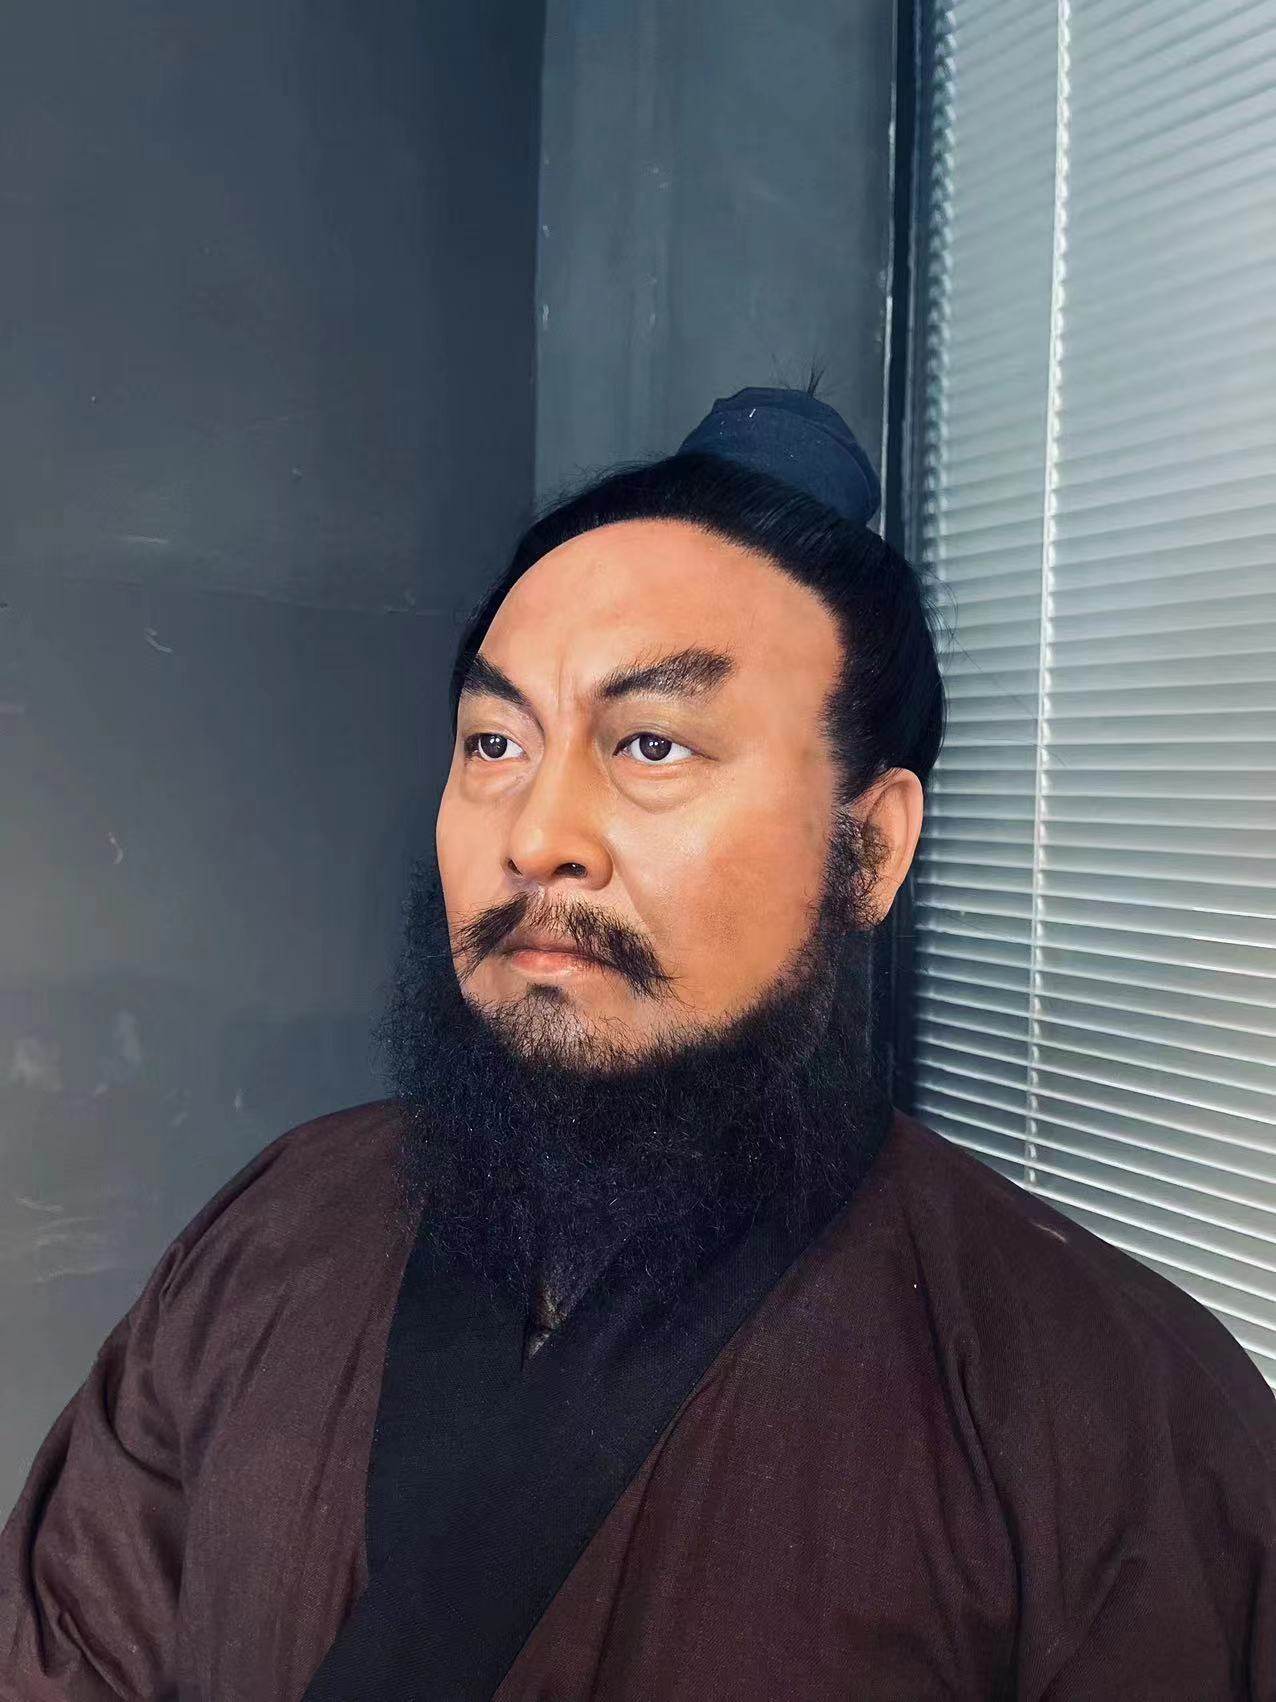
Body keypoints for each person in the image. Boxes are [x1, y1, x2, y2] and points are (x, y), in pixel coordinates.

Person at [2, 387, 1273, 1701]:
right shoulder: (273, 1234)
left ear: (872, 846)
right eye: (496, 741)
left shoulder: (1103, 1407)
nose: (536, 833)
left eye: (652, 744)